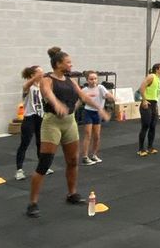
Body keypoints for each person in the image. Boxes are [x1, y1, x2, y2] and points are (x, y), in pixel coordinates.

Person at [26, 48, 108, 218]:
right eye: (68, 62)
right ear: (58, 64)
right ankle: (32, 203)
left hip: (69, 122)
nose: (71, 64)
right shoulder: (47, 79)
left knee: (72, 161)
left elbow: (83, 97)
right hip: (52, 123)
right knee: (44, 164)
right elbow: (47, 93)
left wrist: (100, 108)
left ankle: (72, 194)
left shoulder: (70, 81)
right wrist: (56, 104)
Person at [15, 65, 46, 181]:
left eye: (42, 72)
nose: (42, 74)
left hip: (40, 117)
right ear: (33, 75)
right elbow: (25, 86)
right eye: (39, 73)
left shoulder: (41, 86)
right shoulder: (28, 86)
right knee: (25, 144)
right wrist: (34, 78)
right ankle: (19, 170)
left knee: (40, 143)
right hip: (29, 118)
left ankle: (42, 167)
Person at [80, 71, 110, 165]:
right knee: (88, 134)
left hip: (97, 114)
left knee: (96, 136)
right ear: (87, 80)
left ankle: (94, 155)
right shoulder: (84, 90)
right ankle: (85, 157)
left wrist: (113, 97)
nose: (93, 81)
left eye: (95, 79)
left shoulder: (100, 88)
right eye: (91, 79)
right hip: (88, 112)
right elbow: (80, 101)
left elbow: (107, 95)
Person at [138, 64, 160, 156]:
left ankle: (150, 147)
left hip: (154, 104)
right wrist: (144, 100)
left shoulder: (158, 79)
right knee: (145, 126)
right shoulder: (151, 76)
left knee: (153, 126)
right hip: (147, 103)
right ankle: (141, 149)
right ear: (157, 69)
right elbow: (141, 88)